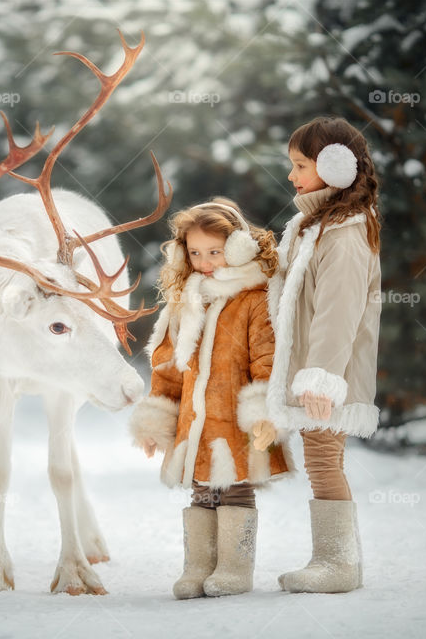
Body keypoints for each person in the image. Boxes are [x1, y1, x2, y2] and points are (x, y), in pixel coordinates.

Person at [129, 197, 293, 599]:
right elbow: (167, 367)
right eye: (196, 253)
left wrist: (264, 412)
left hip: (235, 420)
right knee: (201, 490)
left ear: (238, 247)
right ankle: (198, 567)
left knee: (236, 487)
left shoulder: (254, 299)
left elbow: (267, 359)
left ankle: (234, 569)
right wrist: (155, 423)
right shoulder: (185, 302)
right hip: (194, 421)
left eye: (215, 252)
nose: (205, 262)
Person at [258, 116, 383, 594]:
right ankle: (333, 560)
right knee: (320, 459)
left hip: (330, 373)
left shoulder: (346, 233)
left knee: (324, 461)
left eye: (299, 164)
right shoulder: (313, 226)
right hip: (315, 368)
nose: (291, 176)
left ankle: (338, 564)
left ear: (334, 166)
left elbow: (338, 311)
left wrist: (321, 377)